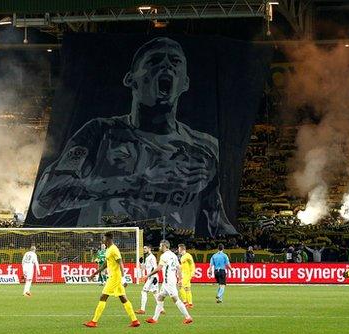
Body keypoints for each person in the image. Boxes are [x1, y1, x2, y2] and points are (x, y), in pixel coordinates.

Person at [31, 37, 237, 237]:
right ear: (130, 79)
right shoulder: (100, 133)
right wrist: (140, 179)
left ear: (185, 82)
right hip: (107, 250)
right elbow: (43, 202)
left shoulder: (205, 148)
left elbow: (216, 222)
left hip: (167, 254)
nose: (166, 66)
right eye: (154, 60)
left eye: (175, 62)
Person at [84, 233, 140, 328]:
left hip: (115, 278)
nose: (103, 241)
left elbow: (120, 263)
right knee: (123, 298)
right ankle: (135, 320)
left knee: (103, 297)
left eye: (104, 239)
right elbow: (105, 264)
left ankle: (94, 321)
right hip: (114, 277)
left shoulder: (114, 249)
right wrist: (94, 274)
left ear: (109, 239)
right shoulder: (108, 250)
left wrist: (123, 278)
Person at [144, 240, 193, 325]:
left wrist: (148, 275)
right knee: (160, 298)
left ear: (164, 246)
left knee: (175, 299)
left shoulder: (164, 256)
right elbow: (179, 268)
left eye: (160, 246)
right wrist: (180, 279)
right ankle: (154, 319)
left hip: (168, 282)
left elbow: (159, 268)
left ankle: (188, 317)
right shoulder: (174, 255)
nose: (159, 247)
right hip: (169, 281)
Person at [136, 245, 162, 315]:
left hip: (152, 277)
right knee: (155, 293)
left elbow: (155, 268)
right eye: (143, 248)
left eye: (145, 248)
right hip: (151, 277)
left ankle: (142, 309)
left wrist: (153, 277)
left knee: (144, 291)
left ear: (149, 249)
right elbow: (144, 268)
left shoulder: (152, 257)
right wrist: (141, 263)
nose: (144, 249)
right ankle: (161, 309)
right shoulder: (147, 258)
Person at [178, 244, 195, 308]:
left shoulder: (188, 256)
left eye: (179, 249)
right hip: (184, 274)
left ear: (182, 249)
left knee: (180, 285)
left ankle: (185, 302)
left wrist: (193, 272)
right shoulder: (182, 257)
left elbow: (192, 264)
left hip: (187, 274)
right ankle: (190, 304)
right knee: (187, 288)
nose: (178, 250)